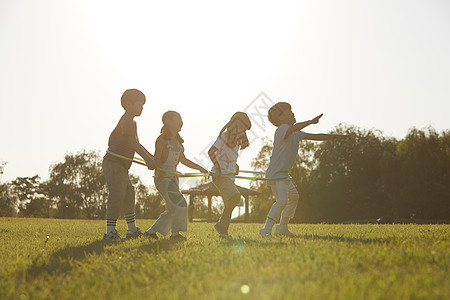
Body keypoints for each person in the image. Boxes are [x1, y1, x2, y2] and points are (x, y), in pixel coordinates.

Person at [259, 102, 350, 237]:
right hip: (276, 175)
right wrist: (311, 121)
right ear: (280, 118)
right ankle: (266, 230)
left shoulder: (296, 133)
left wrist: (337, 137)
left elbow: (316, 136)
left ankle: (282, 227)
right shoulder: (282, 130)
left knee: (294, 197)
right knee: (282, 200)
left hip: (284, 175)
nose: (292, 113)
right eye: (289, 112)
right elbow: (293, 129)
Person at [144, 111, 208, 241]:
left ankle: (151, 232)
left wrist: (200, 168)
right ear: (167, 121)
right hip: (163, 178)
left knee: (172, 207)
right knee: (180, 203)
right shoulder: (161, 140)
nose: (181, 122)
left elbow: (184, 160)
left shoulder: (178, 143)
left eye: (181, 119)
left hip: (173, 177)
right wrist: (161, 171)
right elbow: (156, 159)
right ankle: (175, 234)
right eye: (177, 119)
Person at [103, 89, 155, 240]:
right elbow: (132, 144)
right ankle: (110, 231)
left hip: (121, 166)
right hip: (113, 164)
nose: (142, 108)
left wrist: (152, 158)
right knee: (117, 195)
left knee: (129, 194)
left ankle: (132, 229)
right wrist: (148, 159)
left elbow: (136, 144)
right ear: (128, 104)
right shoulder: (126, 121)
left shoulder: (131, 123)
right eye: (139, 104)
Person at [208, 112, 252, 238]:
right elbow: (211, 152)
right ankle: (221, 225)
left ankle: (223, 231)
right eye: (243, 128)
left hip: (229, 175)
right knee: (235, 197)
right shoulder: (224, 136)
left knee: (230, 201)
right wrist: (217, 166)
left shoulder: (237, 140)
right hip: (219, 175)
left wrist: (235, 165)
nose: (243, 132)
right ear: (236, 125)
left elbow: (229, 156)